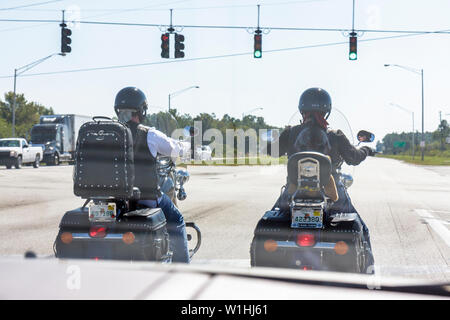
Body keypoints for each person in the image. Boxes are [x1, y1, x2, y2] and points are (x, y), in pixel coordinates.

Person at [278, 87, 375, 270]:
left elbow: (269, 150)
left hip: (294, 190)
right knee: (363, 230)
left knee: (275, 218)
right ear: (327, 111)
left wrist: (275, 139)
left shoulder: (291, 133)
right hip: (333, 191)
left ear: (301, 109)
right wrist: (367, 150)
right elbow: (354, 158)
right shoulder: (334, 135)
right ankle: (369, 277)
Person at [114, 86, 191, 263]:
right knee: (177, 220)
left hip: (115, 200)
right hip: (145, 198)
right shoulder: (149, 135)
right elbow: (174, 149)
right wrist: (186, 144)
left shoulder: (111, 133)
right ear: (142, 110)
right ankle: (184, 270)